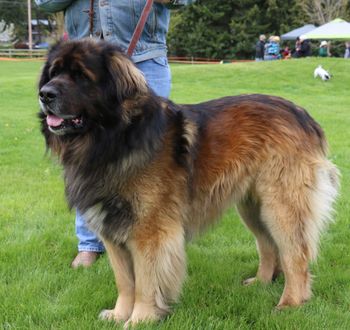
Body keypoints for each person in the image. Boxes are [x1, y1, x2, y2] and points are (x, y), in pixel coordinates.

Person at [35, 0, 195, 268]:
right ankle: (90, 244)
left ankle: (153, 238)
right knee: (85, 164)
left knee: (150, 170)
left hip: (144, 59)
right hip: (82, 62)